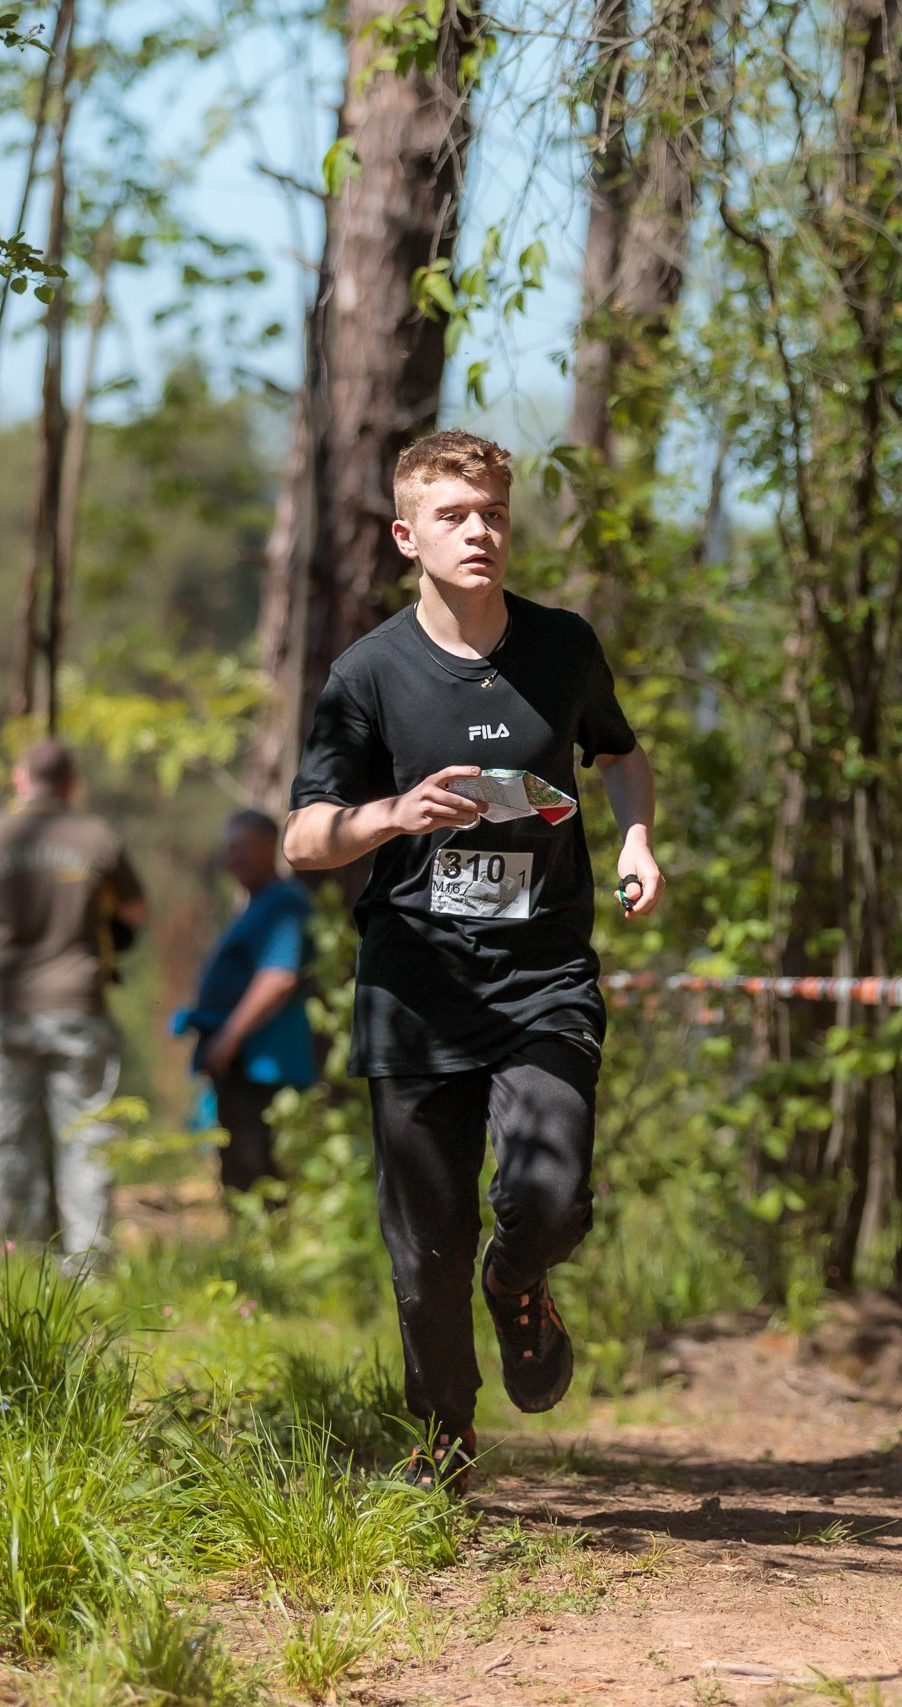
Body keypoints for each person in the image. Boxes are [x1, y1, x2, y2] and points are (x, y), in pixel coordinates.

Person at [282, 429, 661, 1494]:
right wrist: (392, 814)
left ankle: (522, 1279)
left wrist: (635, 837)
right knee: (424, 1253)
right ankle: (442, 1446)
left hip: (542, 978)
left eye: (492, 512)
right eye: (453, 515)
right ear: (409, 536)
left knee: (545, 1194)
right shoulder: (367, 675)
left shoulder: (560, 647)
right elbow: (300, 840)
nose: (479, 531)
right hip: (414, 990)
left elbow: (621, 756)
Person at [0, 740, 146, 1262]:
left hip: (5, 1006)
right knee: (84, 1136)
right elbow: (137, 911)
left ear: (19, 779)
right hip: (78, 1002)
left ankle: (11, 1258)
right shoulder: (98, 838)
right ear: (71, 783)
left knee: (7, 1136)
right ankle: (89, 1264)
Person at [179, 809, 317, 1193]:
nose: (233, 857)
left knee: (257, 1165)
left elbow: (278, 976)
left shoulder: (283, 902)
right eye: (229, 849)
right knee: (238, 1161)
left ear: (270, 846)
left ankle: (267, 1244)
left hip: (264, 1062)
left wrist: (228, 1037)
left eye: (243, 848)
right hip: (245, 1061)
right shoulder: (256, 903)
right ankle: (251, 1243)